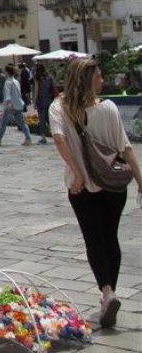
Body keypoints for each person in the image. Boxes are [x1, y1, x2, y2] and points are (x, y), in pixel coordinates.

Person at [48, 58, 142, 329]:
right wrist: (139, 179)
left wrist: (78, 173)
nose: (102, 79)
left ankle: (107, 292)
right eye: (99, 75)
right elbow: (125, 147)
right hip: (114, 185)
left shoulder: (59, 107)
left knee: (94, 240)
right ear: (88, 80)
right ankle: (109, 293)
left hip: (82, 188)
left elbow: (58, 139)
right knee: (110, 238)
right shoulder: (108, 108)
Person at [0, 64, 32, 146]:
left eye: (5, 71)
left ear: (7, 72)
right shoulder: (16, 81)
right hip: (18, 105)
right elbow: (18, 93)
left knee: (3, 123)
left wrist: (8, 103)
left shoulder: (8, 82)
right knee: (22, 123)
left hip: (11, 106)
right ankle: (28, 138)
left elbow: (7, 94)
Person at [33, 63, 55, 144]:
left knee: (42, 119)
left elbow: (36, 90)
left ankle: (43, 138)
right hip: (50, 99)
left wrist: (34, 102)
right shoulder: (50, 76)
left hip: (41, 100)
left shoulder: (37, 77)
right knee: (49, 118)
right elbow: (53, 86)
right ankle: (56, 134)